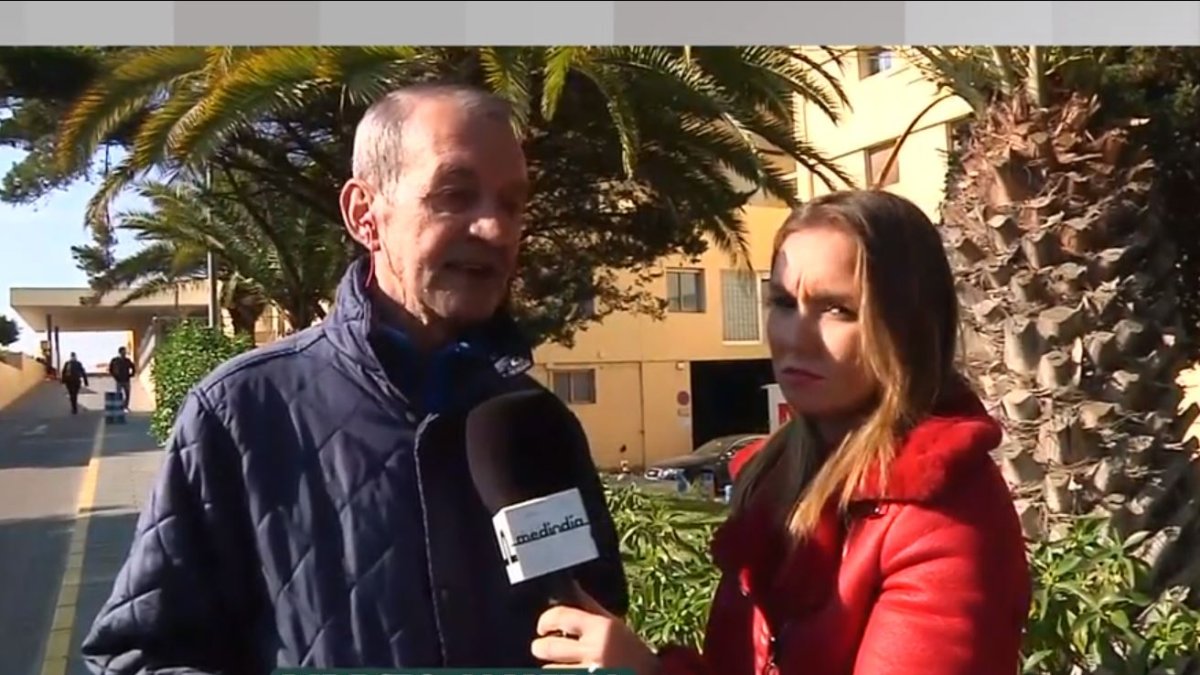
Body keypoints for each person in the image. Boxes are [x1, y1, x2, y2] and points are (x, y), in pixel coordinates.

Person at [79, 83, 628, 672]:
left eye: (512, 203)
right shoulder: (240, 412)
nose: (495, 229)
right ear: (365, 215)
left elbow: (589, 618)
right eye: (455, 196)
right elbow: (138, 655)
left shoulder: (533, 423)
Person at [530, 189, 1032, 675]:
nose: (795, 337)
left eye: (837, 309)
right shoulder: (773, 475)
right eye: (785, 304)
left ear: (906, 325)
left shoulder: (943, 514)